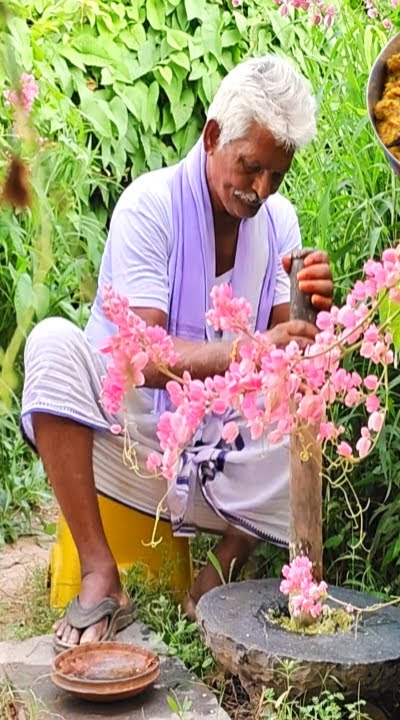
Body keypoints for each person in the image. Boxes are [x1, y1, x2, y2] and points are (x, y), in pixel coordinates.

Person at [20, 55, 336, 651]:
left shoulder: (280, 223)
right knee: (52, 344)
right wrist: (252, 350)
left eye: (277, 175)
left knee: (310, 397)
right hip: (127, 446)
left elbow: (281, 364)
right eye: (250, 167)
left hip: (226, 465)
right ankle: (99, 572)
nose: (261, 190)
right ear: (213, 136)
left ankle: (215, 578)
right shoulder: (150, 205)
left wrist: (308, 313)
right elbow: (142, 357)